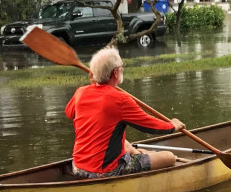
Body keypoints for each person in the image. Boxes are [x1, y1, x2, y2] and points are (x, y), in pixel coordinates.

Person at [66, 46, 186, 179]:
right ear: (116, 72)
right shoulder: (120, 99)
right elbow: (149, 124)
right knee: (169, 157)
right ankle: (142, 155)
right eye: (122, 66)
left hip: (77, 167)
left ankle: (137, 153)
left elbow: (70, 113)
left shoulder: (81, 92)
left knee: (124, 143)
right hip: (105, 172)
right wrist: (172, 126)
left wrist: (92, 86)